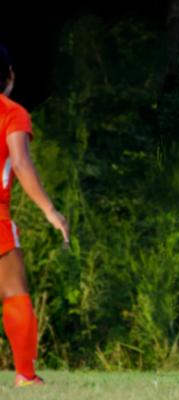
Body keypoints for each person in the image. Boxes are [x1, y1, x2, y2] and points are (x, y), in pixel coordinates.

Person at [0, 45, 69, 387]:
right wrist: (50, 210)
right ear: (9, 76)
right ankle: (25, 375)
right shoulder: (11, 113)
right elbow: (22, 162)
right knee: (14, 291)